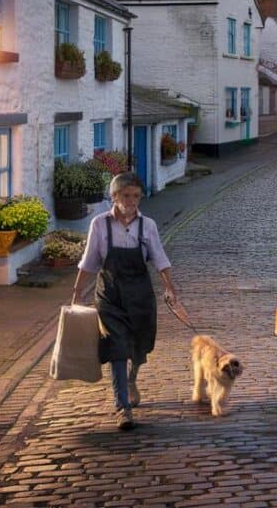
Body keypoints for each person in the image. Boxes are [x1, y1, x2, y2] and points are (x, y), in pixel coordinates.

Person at [72, 171, 188, 430]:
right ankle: (122, 407)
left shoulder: (148, 226)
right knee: (116, 348)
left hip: (140, 295)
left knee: (139, 346)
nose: (131, 200)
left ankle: (132, 378)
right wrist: (77, 292)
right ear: (114, 196)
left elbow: (159, 257)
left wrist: (170, 287)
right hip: (109, 296)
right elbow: (89, 261)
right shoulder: (99, 225)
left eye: (136, 196)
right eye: (126, 195)